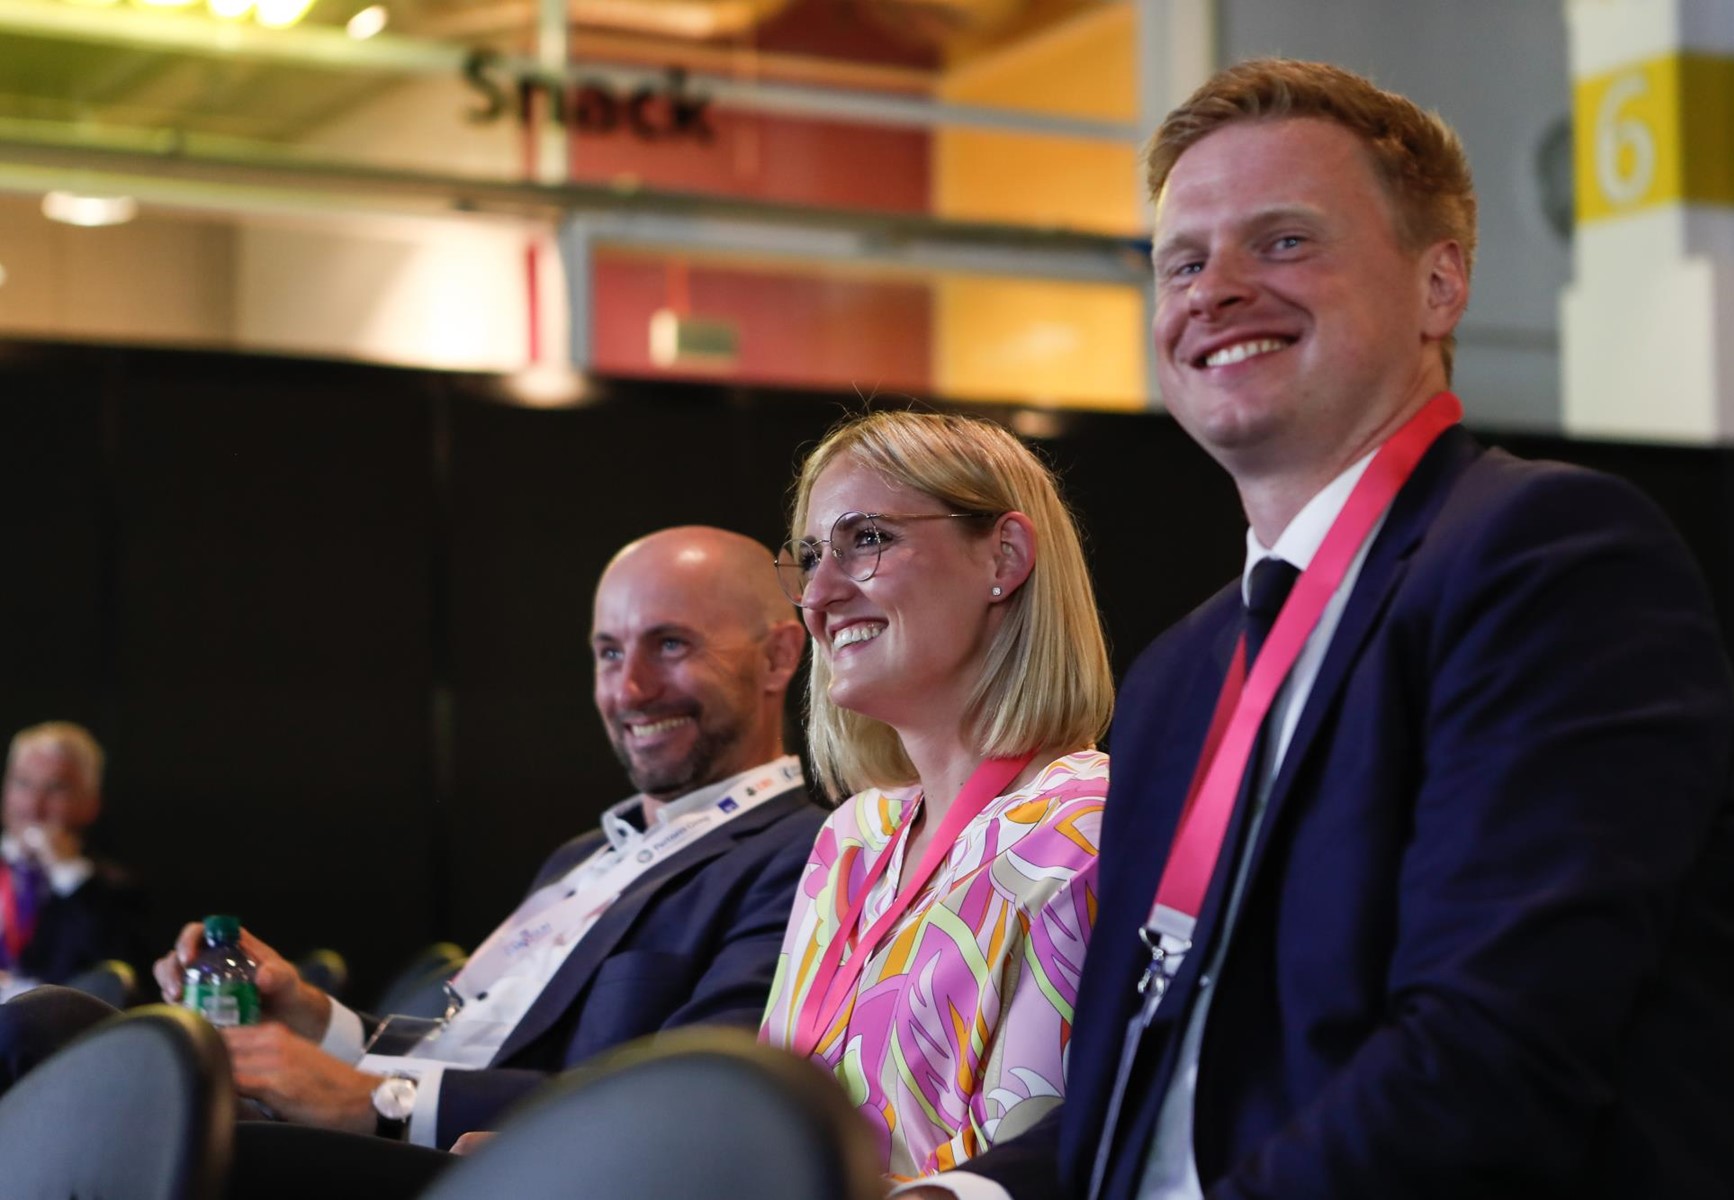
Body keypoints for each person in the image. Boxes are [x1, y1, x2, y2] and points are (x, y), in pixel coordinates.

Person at [921, 58, 1734, 1200]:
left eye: (1283, 241)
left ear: (1440, 285)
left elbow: (1491, 1060)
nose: (1215, 291)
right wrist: (965, 1193)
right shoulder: (1180, 676)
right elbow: (1145, 1097)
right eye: (1183, 262)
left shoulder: (1550, 560)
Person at [1, 526, 825, 1193]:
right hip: (403, 1135)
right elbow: (473, 1044)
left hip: (491, 1167)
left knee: (68, 1051)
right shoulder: (581, 856)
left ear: (779, 658)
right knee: (50, 1026)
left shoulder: (801, 856)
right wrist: (312, 1019)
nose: (629, 689)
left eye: (671, 645)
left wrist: (377, 1101)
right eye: (609, 653)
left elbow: (685, 1106)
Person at [759, 410, 1112, 1181]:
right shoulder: (853, 835)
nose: (818, 595)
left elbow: (1021, 1171)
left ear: (1005, 556)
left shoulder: (1082, 829)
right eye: (811, 556)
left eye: (867, 539)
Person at [0, 722, 146, 1000]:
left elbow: (118, 980)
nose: (33, 806)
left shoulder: (115, 889)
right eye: (22, 783)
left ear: (91, 803)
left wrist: (68, 873)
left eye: (56, 788)